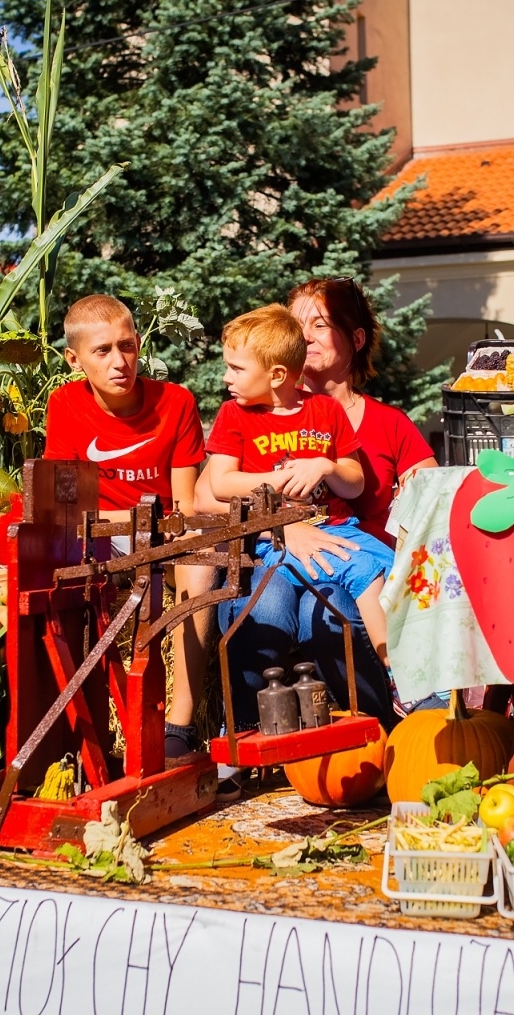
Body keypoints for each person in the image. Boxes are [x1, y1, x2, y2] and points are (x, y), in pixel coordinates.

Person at [199, 278, 438, 728]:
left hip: (346, 550)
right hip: (276, 542)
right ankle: (247, 740)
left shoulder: (378, 422)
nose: (305, 335)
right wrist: (281, 526)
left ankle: (382, 723)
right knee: (265, 608)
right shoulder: (245, 411)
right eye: (297, 324)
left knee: (330, 612)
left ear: (356, 338)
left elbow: (426, 505)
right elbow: (210, 492)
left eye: (320, 324)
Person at [43, 294, 213, 759]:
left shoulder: (175, 402)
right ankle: (83, 731)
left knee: (200, 555)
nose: (120, 362)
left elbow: (185, 505)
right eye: (103, 351)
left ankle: (180, 722)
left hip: (164, 533)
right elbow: (67, 509)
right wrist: (127, 521)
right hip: (102, 538)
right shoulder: (65, 405)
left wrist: (159, 525)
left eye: (128, 346)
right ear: (74, 360)